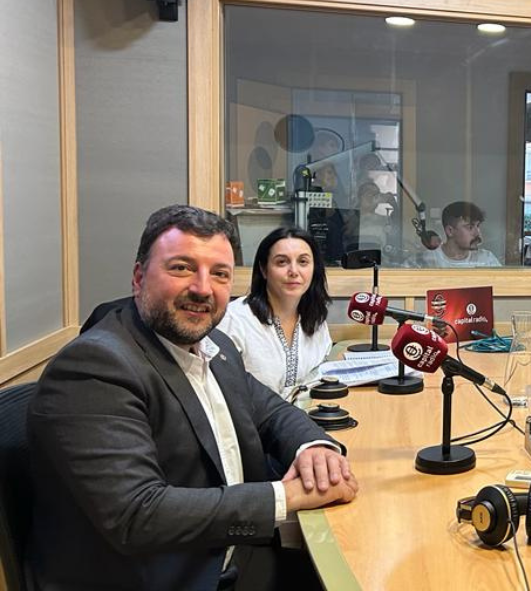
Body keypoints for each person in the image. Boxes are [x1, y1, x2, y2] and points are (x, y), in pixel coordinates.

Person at [26, 205, 358, 591]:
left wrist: (313, 447)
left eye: (219, 274)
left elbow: (270, 411)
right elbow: (138, 515)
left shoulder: (213, 345)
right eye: (182, 268)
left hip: (236, 555)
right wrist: (285, 496)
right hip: (168, 577)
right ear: (138, 277)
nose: (203, 288)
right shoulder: (95, 366)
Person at [218, 227, 333, 404]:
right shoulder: (234, 320)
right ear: (264, 270)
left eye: (303, 262)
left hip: (306, 422)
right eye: (282, 262)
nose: (294, 271)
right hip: (253, 427)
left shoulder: (316, 321)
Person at [405, 200, 502, 268]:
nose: (477, 233)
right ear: (450, 231)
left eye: (478, 226)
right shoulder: (424, 261)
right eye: (470, 227)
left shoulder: (487, 260)